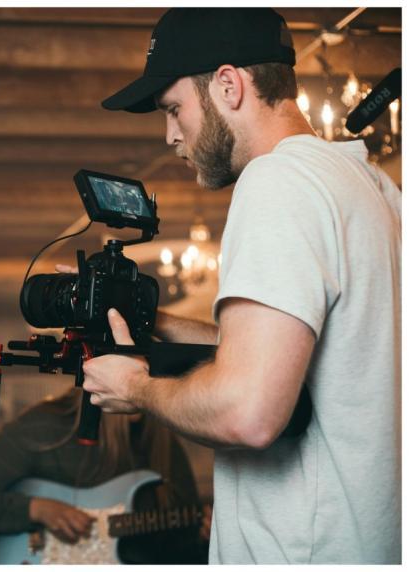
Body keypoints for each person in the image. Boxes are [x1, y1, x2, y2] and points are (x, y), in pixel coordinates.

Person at [80, 8, 401, 564]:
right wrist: (153, 323)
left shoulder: (276, 181)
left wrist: (135, 387)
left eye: (174, 108)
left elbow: (247, 412)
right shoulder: (372, 185)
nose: (171, 135)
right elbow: (304, 353)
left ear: (228, 85)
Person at [0, 387, 210, 564]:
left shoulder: (162, 442)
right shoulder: (46, 427)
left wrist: (203, 537)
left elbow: (174, 550)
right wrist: (36, 509)